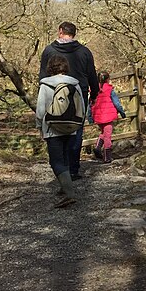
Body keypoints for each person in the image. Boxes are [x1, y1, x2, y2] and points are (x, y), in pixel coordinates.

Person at [39, 22, 99, 180]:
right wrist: (94, 94)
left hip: (53, 93)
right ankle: (73, 168)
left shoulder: (49, 51)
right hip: (79, 93)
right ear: (74, 33)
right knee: (76, 128)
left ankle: (61, 167)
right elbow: (92, 75)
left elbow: (42, 76)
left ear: (60, 32)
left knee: (55, 125)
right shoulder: (84, 52)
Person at [36, 55, 84, 208]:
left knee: (56, 161)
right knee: (65, 158)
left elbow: (40, 109)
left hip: (52, 128)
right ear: (66, 67)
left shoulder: (45, 85)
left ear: (50, 67)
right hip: (70, 127)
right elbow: (81, 105)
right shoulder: (74, 84)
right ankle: (65, 187)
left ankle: (70, 193)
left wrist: (39, 127)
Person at [90, 71, 126, 163]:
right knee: (108, 136)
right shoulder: (110, 90)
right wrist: (122, 112)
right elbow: (117, 103)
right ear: (107, 79)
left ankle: (97, 148)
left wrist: (90, 117)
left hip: (98, 116)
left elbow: (90, 104)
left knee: (104, 133)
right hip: (108, 116)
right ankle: (107, 156)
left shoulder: (94, 90)